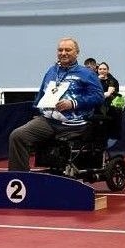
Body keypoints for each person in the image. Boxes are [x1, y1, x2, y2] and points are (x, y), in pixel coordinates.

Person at [8, 37, 104, 171]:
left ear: (77, 52)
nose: (63, 53)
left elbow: (98, 97)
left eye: (68, 50)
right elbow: (41, 94)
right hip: (48, 121)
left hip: (74, 125)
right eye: (60, 50)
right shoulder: (51, 71)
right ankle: (19, 177)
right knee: (17, 136)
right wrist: (38, 108)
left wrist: (73, 103)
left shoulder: (86, 74)